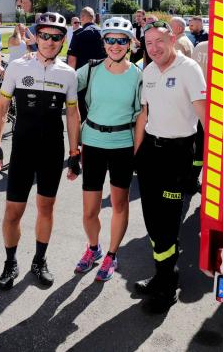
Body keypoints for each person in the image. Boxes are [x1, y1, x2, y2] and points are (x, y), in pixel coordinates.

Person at [0, 12, 80, 290]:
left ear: (63, 40)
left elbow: (73, 114)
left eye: (56, 37)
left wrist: (74, 153)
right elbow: (2, 107)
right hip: (23, 149)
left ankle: (39, 261)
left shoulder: (68, 74)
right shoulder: (18, 67)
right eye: (44, 35)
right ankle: (10, 263)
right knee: (13, 211)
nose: (49, 41)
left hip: (52, 149)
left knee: (46, 208)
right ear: (36, 36)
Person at [133, 19, 206, 312]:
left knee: (167, 222)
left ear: (172, 40)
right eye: (148, 43)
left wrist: (217, 160)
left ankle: (168, 285)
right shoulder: (148, 71)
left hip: (177, 154)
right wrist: (136, 154)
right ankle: (161, 275)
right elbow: (144, 114)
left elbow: (205, 116)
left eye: (159, 41)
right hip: (150, 152)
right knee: (152, 219)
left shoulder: (189, 69)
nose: (154, 48)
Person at [71, 17, 141, 282]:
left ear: (129, 43)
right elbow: (63, 83)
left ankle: (112, 254)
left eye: (121, 40)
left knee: (119, 205)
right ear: (103, 43)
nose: (115, 45)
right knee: (89, 210)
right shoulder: (90, 70)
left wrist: (139, 151)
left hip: (122, 144)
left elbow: (142, 115)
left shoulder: (138, 75)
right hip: (93, 143)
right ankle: (93, 248)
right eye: (110, 39)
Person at [67, 7, 106, 121]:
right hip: (102, 76)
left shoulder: (78, 34)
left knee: (82, 111)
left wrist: (70, 81)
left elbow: (72, 60)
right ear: (93, 18)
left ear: (82, 17)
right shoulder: (103, 33)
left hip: (83, 78)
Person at [188, 41, 209, 195]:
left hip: (195, 102)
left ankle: (191, 178)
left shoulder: (200, 46)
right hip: (215, 106)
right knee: (205, 148)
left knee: (196, 145)